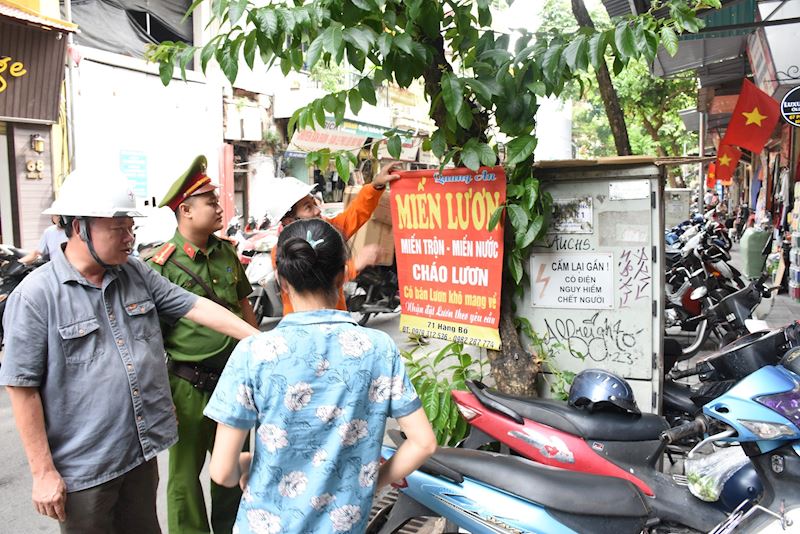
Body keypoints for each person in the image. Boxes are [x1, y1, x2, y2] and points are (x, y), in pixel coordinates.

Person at [0, 169, 260, 534]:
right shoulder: (36, 296)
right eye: (118, 227)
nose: (129, 237)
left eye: (130, 227)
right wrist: (43, 472)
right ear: (80, 226)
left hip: (139, 452)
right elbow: (21, 387)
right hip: (84, 470)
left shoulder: (135, 273)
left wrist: (261, 341)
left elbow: (195, 306)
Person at [203, 218, 436, 532]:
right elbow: (423, 443)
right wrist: (369, 484)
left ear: (281, 281)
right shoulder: (378, 348)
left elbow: (221, 473)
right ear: (342, 277)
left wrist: (246, 464)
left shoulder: (253, 352)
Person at [147, 155, 257, 534]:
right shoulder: (162, 265)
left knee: (231, 470)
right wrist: (161, 400)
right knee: (183, 479)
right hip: (187, 386)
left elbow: (245, 312)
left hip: (233, 381)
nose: (219, 206)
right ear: (186, 211)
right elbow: (151, 341)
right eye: (210, 201)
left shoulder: (227, 252)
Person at [264, 162, 401, 315]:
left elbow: (354, 215)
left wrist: (376, 186)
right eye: (308, 207)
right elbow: (315, 281)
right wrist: (356, 264)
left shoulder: (327, 228)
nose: (317, 211)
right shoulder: (283, 251)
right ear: (289, 220)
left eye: (314, 203)